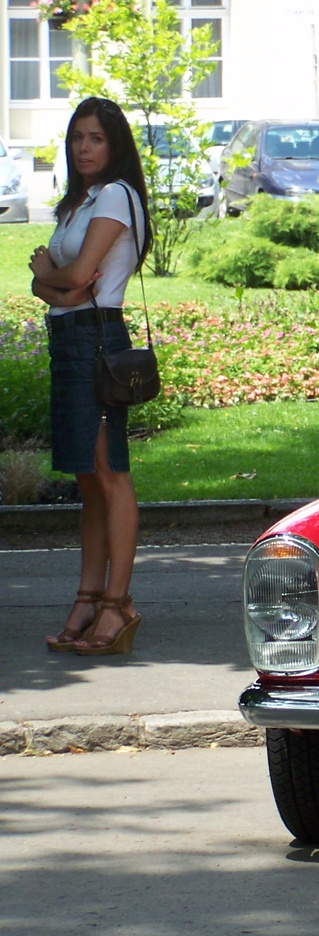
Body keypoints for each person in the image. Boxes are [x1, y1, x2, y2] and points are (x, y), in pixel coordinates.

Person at [29, 97, 152, 654]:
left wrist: (47, 276)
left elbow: (78, 279)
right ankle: (87, 596)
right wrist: (50, 283)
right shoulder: (78, 203)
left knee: (109, 472)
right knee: (86, 477)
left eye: (96, 138)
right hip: (69, 338)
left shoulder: (118, 197)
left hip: (98, 338)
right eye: (78, 137)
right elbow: (60, 285)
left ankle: (116, 604)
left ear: (115, 144)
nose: (84, 147)